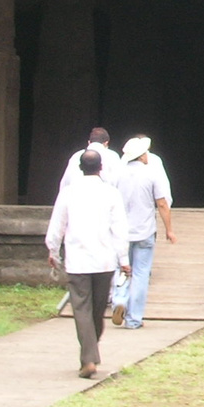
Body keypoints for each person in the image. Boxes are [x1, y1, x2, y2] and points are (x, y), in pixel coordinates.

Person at [45, 148, 130, 378]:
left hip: (78, 261)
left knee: (82, 310)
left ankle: (88, 358)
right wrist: (124, 259)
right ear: (100, 168)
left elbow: (57, 227)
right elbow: (120, 229)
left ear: (80, 168)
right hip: (104, 261)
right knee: (98, 310)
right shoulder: (111, 193)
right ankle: (90, 356)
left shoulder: (68, 193)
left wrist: (53, 251)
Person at [111, 135, 178, 328]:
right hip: (144, 230)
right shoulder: (152, 173)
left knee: (121, 268)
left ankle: (119, 299)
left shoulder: (117, 173)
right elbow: (162, 203)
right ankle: (133, 319)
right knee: (141, 273)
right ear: (141, 156)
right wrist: (169, 230)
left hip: (120, 231)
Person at [58, 126, 122, 192]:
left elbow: (66, 181)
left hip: (77, 195)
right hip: (104, 196)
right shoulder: (113, 156)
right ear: (106, 143)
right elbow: (119, 181)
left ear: (89, 142)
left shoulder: (76, 156)